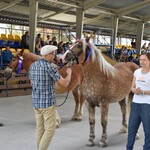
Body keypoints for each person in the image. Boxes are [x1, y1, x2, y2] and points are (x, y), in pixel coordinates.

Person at [29, 45, 72, 150]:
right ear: (48, 55)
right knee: (50, 130)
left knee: (40, 129)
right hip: (47, 103)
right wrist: (69, 73)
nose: (54, 56)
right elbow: (65, 84)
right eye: (53, 54)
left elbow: (32, 83)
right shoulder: (50, 67)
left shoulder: (33, 65)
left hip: (36, 102)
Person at [126, 53, 150, 150]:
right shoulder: (136, 72)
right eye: (140, 60)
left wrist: (143, 91)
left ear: (149, 61)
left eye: (144, 60)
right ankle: (129, 148)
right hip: (135, 104)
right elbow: (132, 86)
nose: (142, 62)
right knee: (131, 130)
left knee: (148, 131)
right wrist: (134, 90)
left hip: (147, 105)